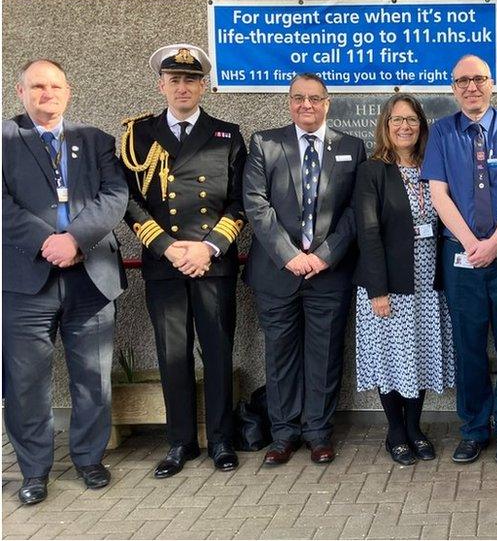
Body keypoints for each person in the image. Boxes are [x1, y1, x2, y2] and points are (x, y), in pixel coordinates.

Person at [2, 59, 128, 504]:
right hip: (25, 280)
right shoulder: (5, 140)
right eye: (37, 86)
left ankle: (89, 458)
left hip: (89, 277)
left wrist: (74, 238)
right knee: (24, 382)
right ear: (20, 92)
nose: (47, 94)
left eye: (55, 86)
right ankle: (33, 471)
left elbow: (115, 197)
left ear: (69, 92)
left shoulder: (95, 141)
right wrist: (46, 242)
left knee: (92, 377)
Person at [119, 44, 246, 478]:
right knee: (173, 355)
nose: (183, 86)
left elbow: (239, 202)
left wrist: (207, 247)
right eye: (174, 79)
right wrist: (168, 247)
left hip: (213, 262)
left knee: (217, 351)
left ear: (203, 86)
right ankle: (180, 443)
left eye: (191, 79)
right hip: (164, 262)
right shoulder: (137, 135)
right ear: (161, 85)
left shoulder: (228, 133)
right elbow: (130, 201)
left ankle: (223, 440)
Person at [421, 54, 497, 465]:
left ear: (492, 83)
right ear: (453, 88)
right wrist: (474, 242)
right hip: (462, 252)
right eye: (462, 81)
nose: (471, 87)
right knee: (468, 345)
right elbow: (439, 195)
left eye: (479, 79)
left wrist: (493, 244)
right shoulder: (441, 132)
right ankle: (473, 429)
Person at [244, 73, 366, 466]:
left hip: (328, 273)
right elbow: (256, 205)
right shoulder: (265, 143)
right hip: (277, 271)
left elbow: (354, 211)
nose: (306, 106)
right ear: (289, 102)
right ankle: (283, 434)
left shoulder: (351, 147)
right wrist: (289, 254)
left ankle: (318, 432)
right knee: (279, 355)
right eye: (298, 98)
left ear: (328, 103)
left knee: (325, 354)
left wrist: (325, 254)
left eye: (315, 99)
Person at [353, 94, 455, 466]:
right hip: (389, 286)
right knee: (390, 359)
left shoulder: (434, 167)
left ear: (421, 125)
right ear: (385, 125)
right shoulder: (372, 171)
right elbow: (368, 232)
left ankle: (416, 429)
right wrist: (378, 290)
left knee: (421, 358)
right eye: (397, 120)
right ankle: (395, 431)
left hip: (429, 285)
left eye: (411, 119)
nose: (404, 126)